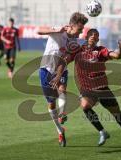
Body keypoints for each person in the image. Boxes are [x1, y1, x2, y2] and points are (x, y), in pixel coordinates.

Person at [61, 28, 121, 147]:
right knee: (85, 106)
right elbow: (65, 61)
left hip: (102, 88)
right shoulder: (77, 51)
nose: (93, 36)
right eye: (91, 34)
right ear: (86, 37)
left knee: (117, 114)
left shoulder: (101, 50)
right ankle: (102, 132)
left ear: (97, 39)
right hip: (87, 89)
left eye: (95, 35)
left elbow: (117, 56)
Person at [37, 12, 88, 147]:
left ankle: (63, 113)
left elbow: (65, 60)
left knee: (62, 89)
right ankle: (60, 130)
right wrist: (54, 30)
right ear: (72, 26)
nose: (80, 33)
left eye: (82, 30)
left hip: (61, 69)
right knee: (51, 103)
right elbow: (39, 31)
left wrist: (59, 74)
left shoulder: (74, 42)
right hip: (45, 69)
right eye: (80, 29)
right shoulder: (59, 31)